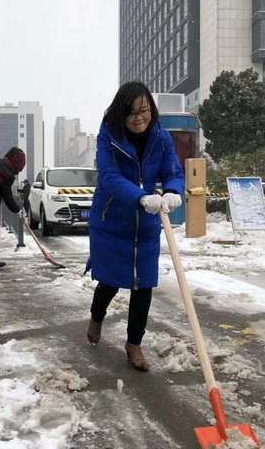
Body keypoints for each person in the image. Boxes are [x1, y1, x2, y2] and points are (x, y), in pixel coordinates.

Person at [85, 81, 185, 372]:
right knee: (111, 280)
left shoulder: (161, 137)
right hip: (112, 219)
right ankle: (96, 316)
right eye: (131, 113)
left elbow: (173, 171)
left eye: (144, 110)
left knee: (144, 285)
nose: (139, 118)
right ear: (121, 114)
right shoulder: (108, 137)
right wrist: (140, 197)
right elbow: (108, 176)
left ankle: (134, 345)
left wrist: (173, 190)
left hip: (147, 224)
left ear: (151, 109)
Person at [0, 147, 26, 269]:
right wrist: (18, 210)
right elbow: (8, 197)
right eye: (19, 167)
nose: (18, 171)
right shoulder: (7, 173)